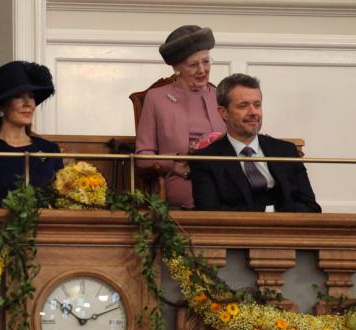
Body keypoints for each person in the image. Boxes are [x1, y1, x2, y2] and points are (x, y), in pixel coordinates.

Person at [191, 74, 320, 213]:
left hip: (288, 230)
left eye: (257, 105)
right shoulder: (206, 159)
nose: (253, 112)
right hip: (238, 233)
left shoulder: (286, 151)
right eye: (243, 106)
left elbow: (312, 207)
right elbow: (210, 214)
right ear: (224, 113)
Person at [135, 25, 224, 209]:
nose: (202, 70)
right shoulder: (156, 98)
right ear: (176, 67)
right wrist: (174, 166)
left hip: (225, 180)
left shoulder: (222, 96)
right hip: (181, 181)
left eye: (206, 61)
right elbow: (143, 156)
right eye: (193, 64)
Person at [0, 61, 63, 208]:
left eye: (31, 96)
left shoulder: (50, 150)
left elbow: (61, 202)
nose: (28, 103)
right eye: (18, 96)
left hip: (47, 229)